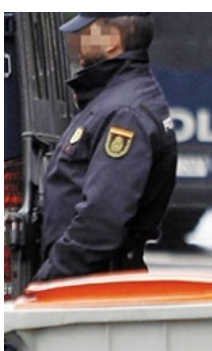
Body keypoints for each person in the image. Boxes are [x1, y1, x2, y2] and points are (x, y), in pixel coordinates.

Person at [33, 13, 177, 281]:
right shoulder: (115, 100)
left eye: (87, 33)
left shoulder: (125, 114)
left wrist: (48, 282)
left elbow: (100, 222)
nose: (77, 42)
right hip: (91, 283)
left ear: (112, 41)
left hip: (91, 288)